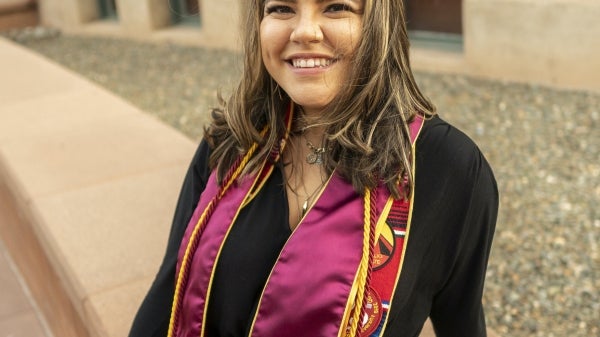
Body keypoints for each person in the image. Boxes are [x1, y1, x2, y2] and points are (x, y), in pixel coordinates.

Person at [129, 0, 498, 336]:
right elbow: (168, 294)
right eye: (281, 8)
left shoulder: (449, 169)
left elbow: (462, 324)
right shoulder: (230, 144)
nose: (304, 31)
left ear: (378, 23)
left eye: (336, 7)